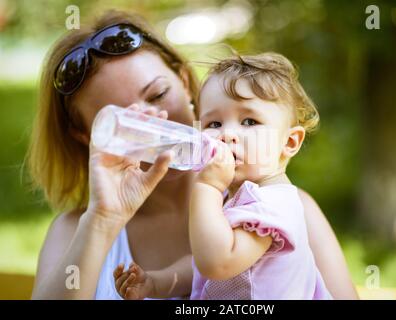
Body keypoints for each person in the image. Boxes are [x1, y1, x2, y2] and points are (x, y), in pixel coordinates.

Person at [29, 10, 358, 300]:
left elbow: (214, 262)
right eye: (124, 120)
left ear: (186, 84)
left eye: (158, 94)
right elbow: (194, 271)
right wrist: (103, 221)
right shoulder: (75, 231)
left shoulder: (282, 208)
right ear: (88, 136)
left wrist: (207, 187)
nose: (152, 126)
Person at [114, 52, 333, 299]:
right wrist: (157, 283)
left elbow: (218, 263)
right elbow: (199, 266)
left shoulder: (272, 206)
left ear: (289, 142)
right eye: (214, 124)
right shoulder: (242, 197)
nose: (227, 135)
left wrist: (207, 186)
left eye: (249, 122)